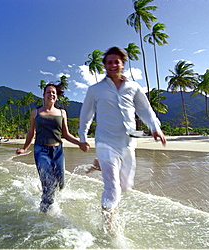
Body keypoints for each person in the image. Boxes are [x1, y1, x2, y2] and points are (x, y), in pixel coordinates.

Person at [78, 46, 166, 231]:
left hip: (127, 143)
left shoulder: (133, 87)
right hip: (105, 142)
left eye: (116, 62)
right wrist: (83, 136)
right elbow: (86, 114)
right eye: (109, 62)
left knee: (126, 186)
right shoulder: (95, 89)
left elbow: (145, 110)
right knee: (113, 189)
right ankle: (110, 230)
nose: (112, 65)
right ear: (104, 65)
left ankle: (99, 164)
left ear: (122, 64)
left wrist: (155, 128)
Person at [16, 83, 90, 212]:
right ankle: (45, 214)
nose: (51, 94)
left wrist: (80, 143)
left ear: (56, 96)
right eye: (48, 92)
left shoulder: (62, 112)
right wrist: (24, 148)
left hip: (58, 152)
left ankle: (52, 200)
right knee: (48, 185)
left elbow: (65, 134)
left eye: (53, 93)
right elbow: (31, 133)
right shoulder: (35, 112)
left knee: (61, 183)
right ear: (43, 95)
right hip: (41, 151)